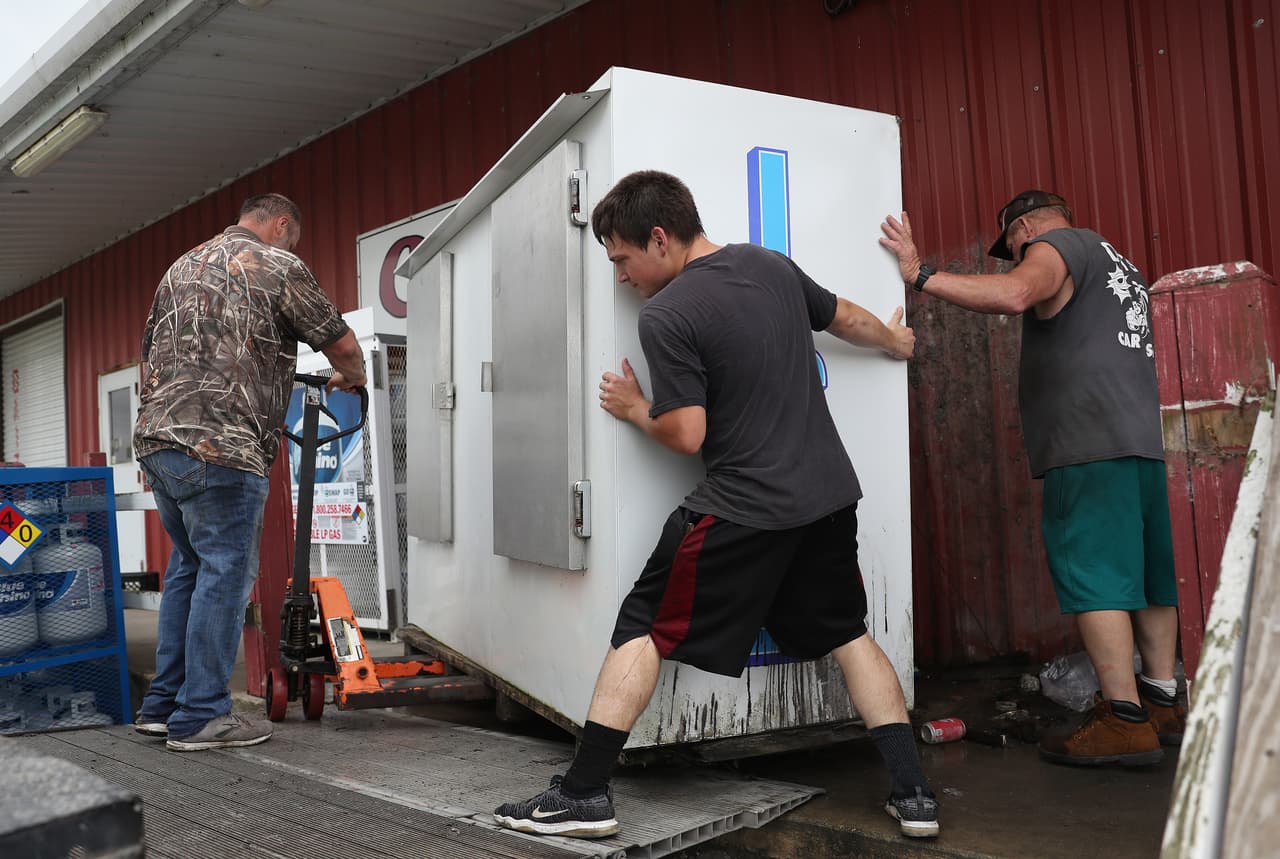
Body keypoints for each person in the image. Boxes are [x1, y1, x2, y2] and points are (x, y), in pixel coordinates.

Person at [493, 170, 939, 840]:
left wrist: (637, 409)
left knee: (642, 623)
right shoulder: (768, 264)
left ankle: (585, 793)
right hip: (826, 498)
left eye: (621, 258)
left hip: (744, 505)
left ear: (660, 239)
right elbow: (845, 317)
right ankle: (914, 796)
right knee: (849, 634)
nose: (621, 276)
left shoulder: (668, 314)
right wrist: (895, 341)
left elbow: (687, 434)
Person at [879, 191, 1185, 767]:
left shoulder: (1055, 245)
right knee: (1148, 577)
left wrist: (922, 275)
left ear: (1021, 228)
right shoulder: (1119, 263)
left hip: (1087, 447)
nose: (1016, 255)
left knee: (1096, 575)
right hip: (1139, 444)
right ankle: (1162, 700)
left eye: (1012, 246)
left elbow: (1018, 292)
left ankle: (1123, 719)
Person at [132, 193, 366, 752]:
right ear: (282, 224)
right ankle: (201, 717)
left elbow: (152, 350)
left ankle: (164, 707)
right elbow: (343, 344)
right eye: (293, 238)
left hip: (159, 442)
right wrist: (349, 377)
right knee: (225, 575)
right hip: (224, 446)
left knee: (190, 566)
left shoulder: (179, 266)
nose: (292, 247)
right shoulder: (277, 264)